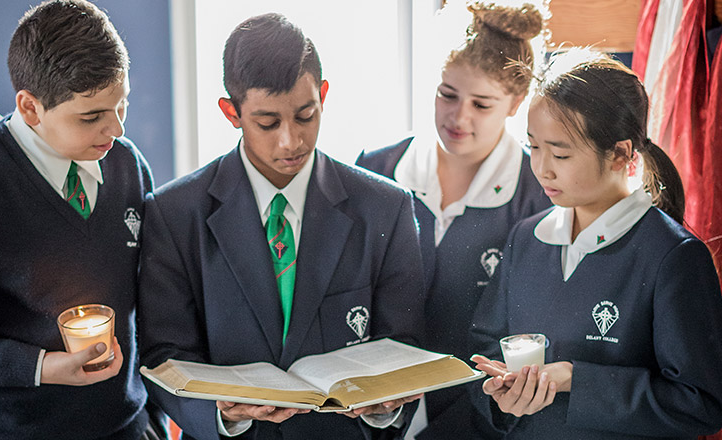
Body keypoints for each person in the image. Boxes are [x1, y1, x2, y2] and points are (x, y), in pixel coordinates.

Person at [137, 12, 425, 440]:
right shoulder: (175, 213)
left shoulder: (387, 207)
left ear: (323, 95)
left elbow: (404, 345)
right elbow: (165, 355)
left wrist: (384, 409)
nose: (291, 141)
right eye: (267, 123)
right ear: (231, 112)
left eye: (305, 115)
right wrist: (224, 415)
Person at [0, 1, 163, 438]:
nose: (117, 131)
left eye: (120, 106)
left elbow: (152, 305)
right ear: (30, 108)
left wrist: (153, 422)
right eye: (91, 116)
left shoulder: (128, 166)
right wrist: (39, 367)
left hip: (123, 427)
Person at [470, 48, 722, 438]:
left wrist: (575, 378)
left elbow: (701, 403)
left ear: (621, 153)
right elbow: (486, 346)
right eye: (534, 147)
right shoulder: (527, 238)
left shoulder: (674, 257)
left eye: (561, 153)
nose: (542, 168)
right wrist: (499, 395)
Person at [356, 1, 550, 438]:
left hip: (478, 419)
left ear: (516, 103)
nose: (458, 118)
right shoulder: (377, 169)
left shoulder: (537, 196)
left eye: (482, 104)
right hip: (372, 410)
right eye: (447, 94)